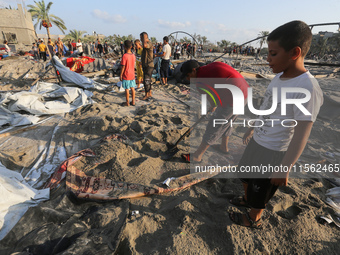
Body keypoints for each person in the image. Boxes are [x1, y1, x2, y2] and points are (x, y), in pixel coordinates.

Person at [228, 20, 323, 228]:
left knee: (260, 189)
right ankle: (246, 200)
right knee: (245, 176)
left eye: (273, 53)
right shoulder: (278, 77)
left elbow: (301, 134)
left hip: (274, 151)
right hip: (258, 140)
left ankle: (254, 218)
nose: (267, 59)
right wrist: (253, 126)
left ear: (294, 52)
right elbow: (267, 106)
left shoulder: (308, 88)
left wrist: (285, 167)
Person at [180, 60, 249, 163]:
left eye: (188, 76)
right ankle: (223, 147)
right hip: (245, 92)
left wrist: (212, 106)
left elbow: (214, 101)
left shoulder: (200, 82)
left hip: (233, 98)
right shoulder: (211, 65)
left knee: (214, 125)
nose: (187, 79)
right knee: (228, 121)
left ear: (194, 70)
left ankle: (197, 156)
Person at [120, 40, 136, 107]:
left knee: (127, 89)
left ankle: (127, 102)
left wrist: (121, 74)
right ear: (131, 46)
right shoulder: (133, 55)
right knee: (132, 88)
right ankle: (133, 101)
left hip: (126, 74)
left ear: (124, 47)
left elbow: (123, 67)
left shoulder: (124, 56)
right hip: (132, 74)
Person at [140, 32, 154, 100]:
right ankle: (149, 93)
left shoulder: (149, 43)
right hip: (146, 65)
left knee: (146, 80)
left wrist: (144, 39)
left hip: (149, 65)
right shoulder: (146, 43)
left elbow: (145, 45)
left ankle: (147, 95)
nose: (141, 40)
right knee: (148, 80)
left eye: (141, 38)